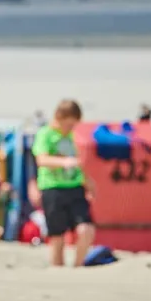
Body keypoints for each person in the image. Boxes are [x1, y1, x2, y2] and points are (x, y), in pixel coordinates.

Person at [32, 99, 96, 267]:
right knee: (57, 236)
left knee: (86, 229)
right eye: (68, 124)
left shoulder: (71, 136)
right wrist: (65, 162)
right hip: (52, 187)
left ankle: (77, 266)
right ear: (59, 118)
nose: (70, 128)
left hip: (75, 187)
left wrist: (88, 182)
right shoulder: (45, 134)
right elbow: (41, 159)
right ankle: (58, 272)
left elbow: (78, 163)